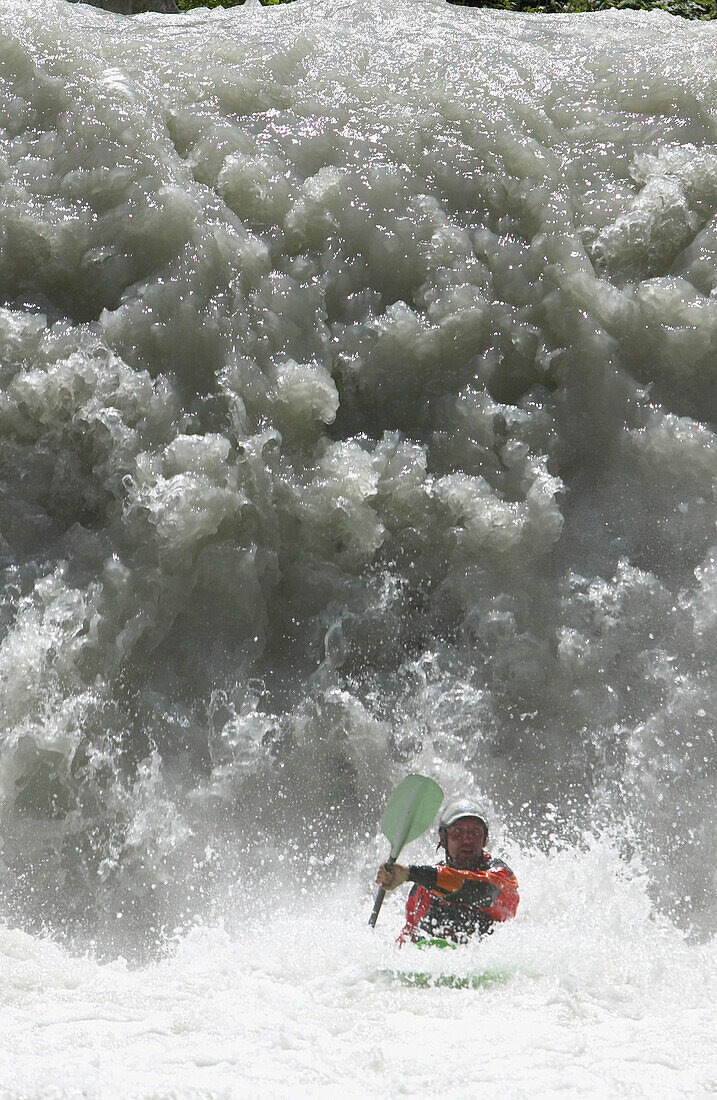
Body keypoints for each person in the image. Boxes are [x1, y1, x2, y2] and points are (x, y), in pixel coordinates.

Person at [375, 797, 519, 945]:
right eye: (457, 832)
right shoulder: (423, 887)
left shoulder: (502, 875)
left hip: (484, 952)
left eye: (475, 832)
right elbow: (408, 935)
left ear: (484, 840)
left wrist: (409, 873)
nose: (467, 840)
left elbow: (476, 890)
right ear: (443, 839)